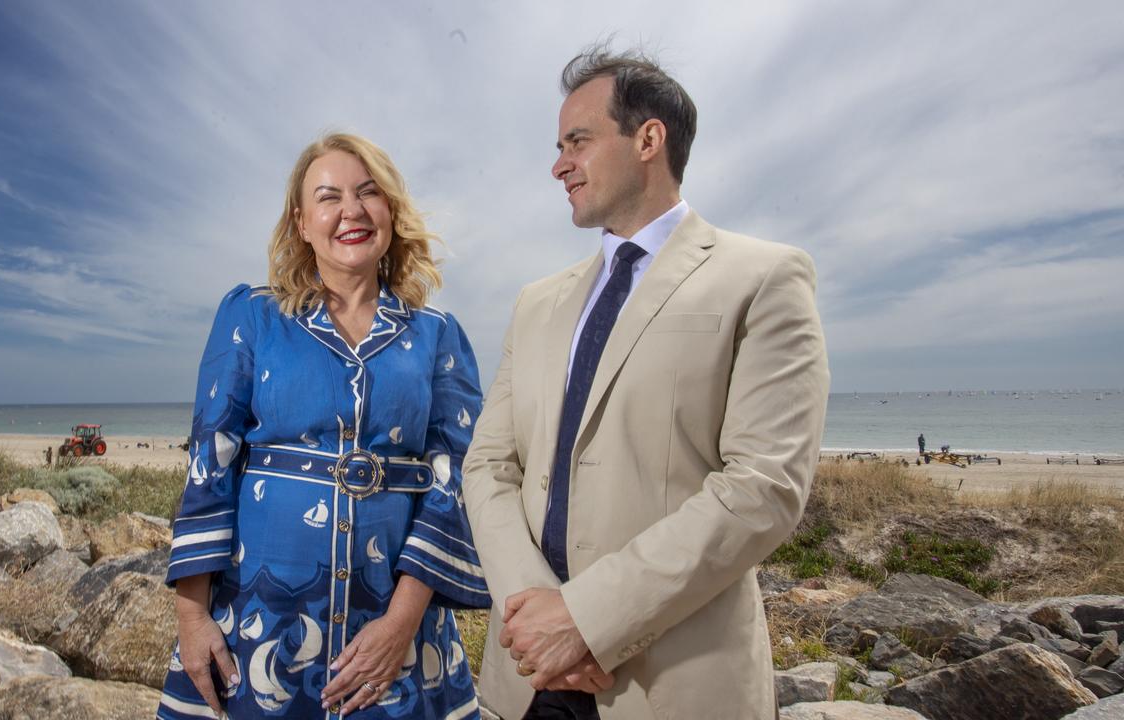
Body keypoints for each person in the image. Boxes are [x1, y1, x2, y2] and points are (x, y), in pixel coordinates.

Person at [462, 44, 829, 719]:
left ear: (648, 139)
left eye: (578, 140)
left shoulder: (763, 278)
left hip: (673, 685)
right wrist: (535, 615)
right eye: (558, 145)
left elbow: (763, 487)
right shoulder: (535, 302)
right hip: (529, 678)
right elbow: (488, 466)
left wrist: (587, 620)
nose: (558, 164)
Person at [158, 133, 489, 720]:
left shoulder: (439, 334)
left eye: (369, 193)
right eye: (329, 197)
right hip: (259, 624)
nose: (351, 211)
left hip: (398, 630)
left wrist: (401, 624)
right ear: (303, 222)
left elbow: (454, 479)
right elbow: (211, 462)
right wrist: (192, 616)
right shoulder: (252, 316)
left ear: (390, 210)